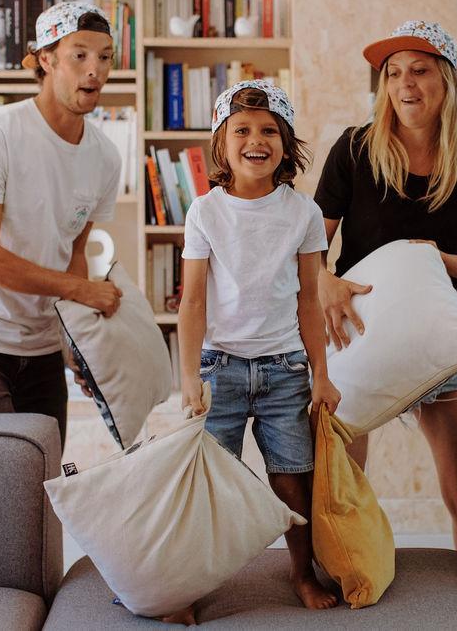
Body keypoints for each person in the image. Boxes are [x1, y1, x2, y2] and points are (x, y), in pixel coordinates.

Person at [313, 20, 457, 549]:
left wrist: (443, 259)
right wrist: (325, 281)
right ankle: (347, 581)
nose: (405, 83)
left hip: (437, 338)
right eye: (393, 72)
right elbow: (304, 251)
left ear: (446, 81)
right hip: (357, 334)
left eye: (420, 70)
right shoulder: (354, 149)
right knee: (342, 490)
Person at [0, 2, 124, 451]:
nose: (95, 70)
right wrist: (80, 291)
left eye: (105, 56)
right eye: (80, 55)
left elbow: (73, 251)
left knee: (44, 472)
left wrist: (78, 346)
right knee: (2, 474)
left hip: (39, 343)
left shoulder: (105, 158)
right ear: (47, 60)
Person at [175, 80, 342, 621]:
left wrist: (321, 374)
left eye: (269, 130)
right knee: (209, 481)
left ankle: (300, 572)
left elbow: (311, 304)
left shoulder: (304, 214)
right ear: (221, 145)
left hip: (286, 370)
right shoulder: (204, 211)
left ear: (286, 144)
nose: (256, 139)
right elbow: (193, 302)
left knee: (293, 476)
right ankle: (191, 582)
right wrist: (187, 379)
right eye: (242, 130)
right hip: (219, 369)